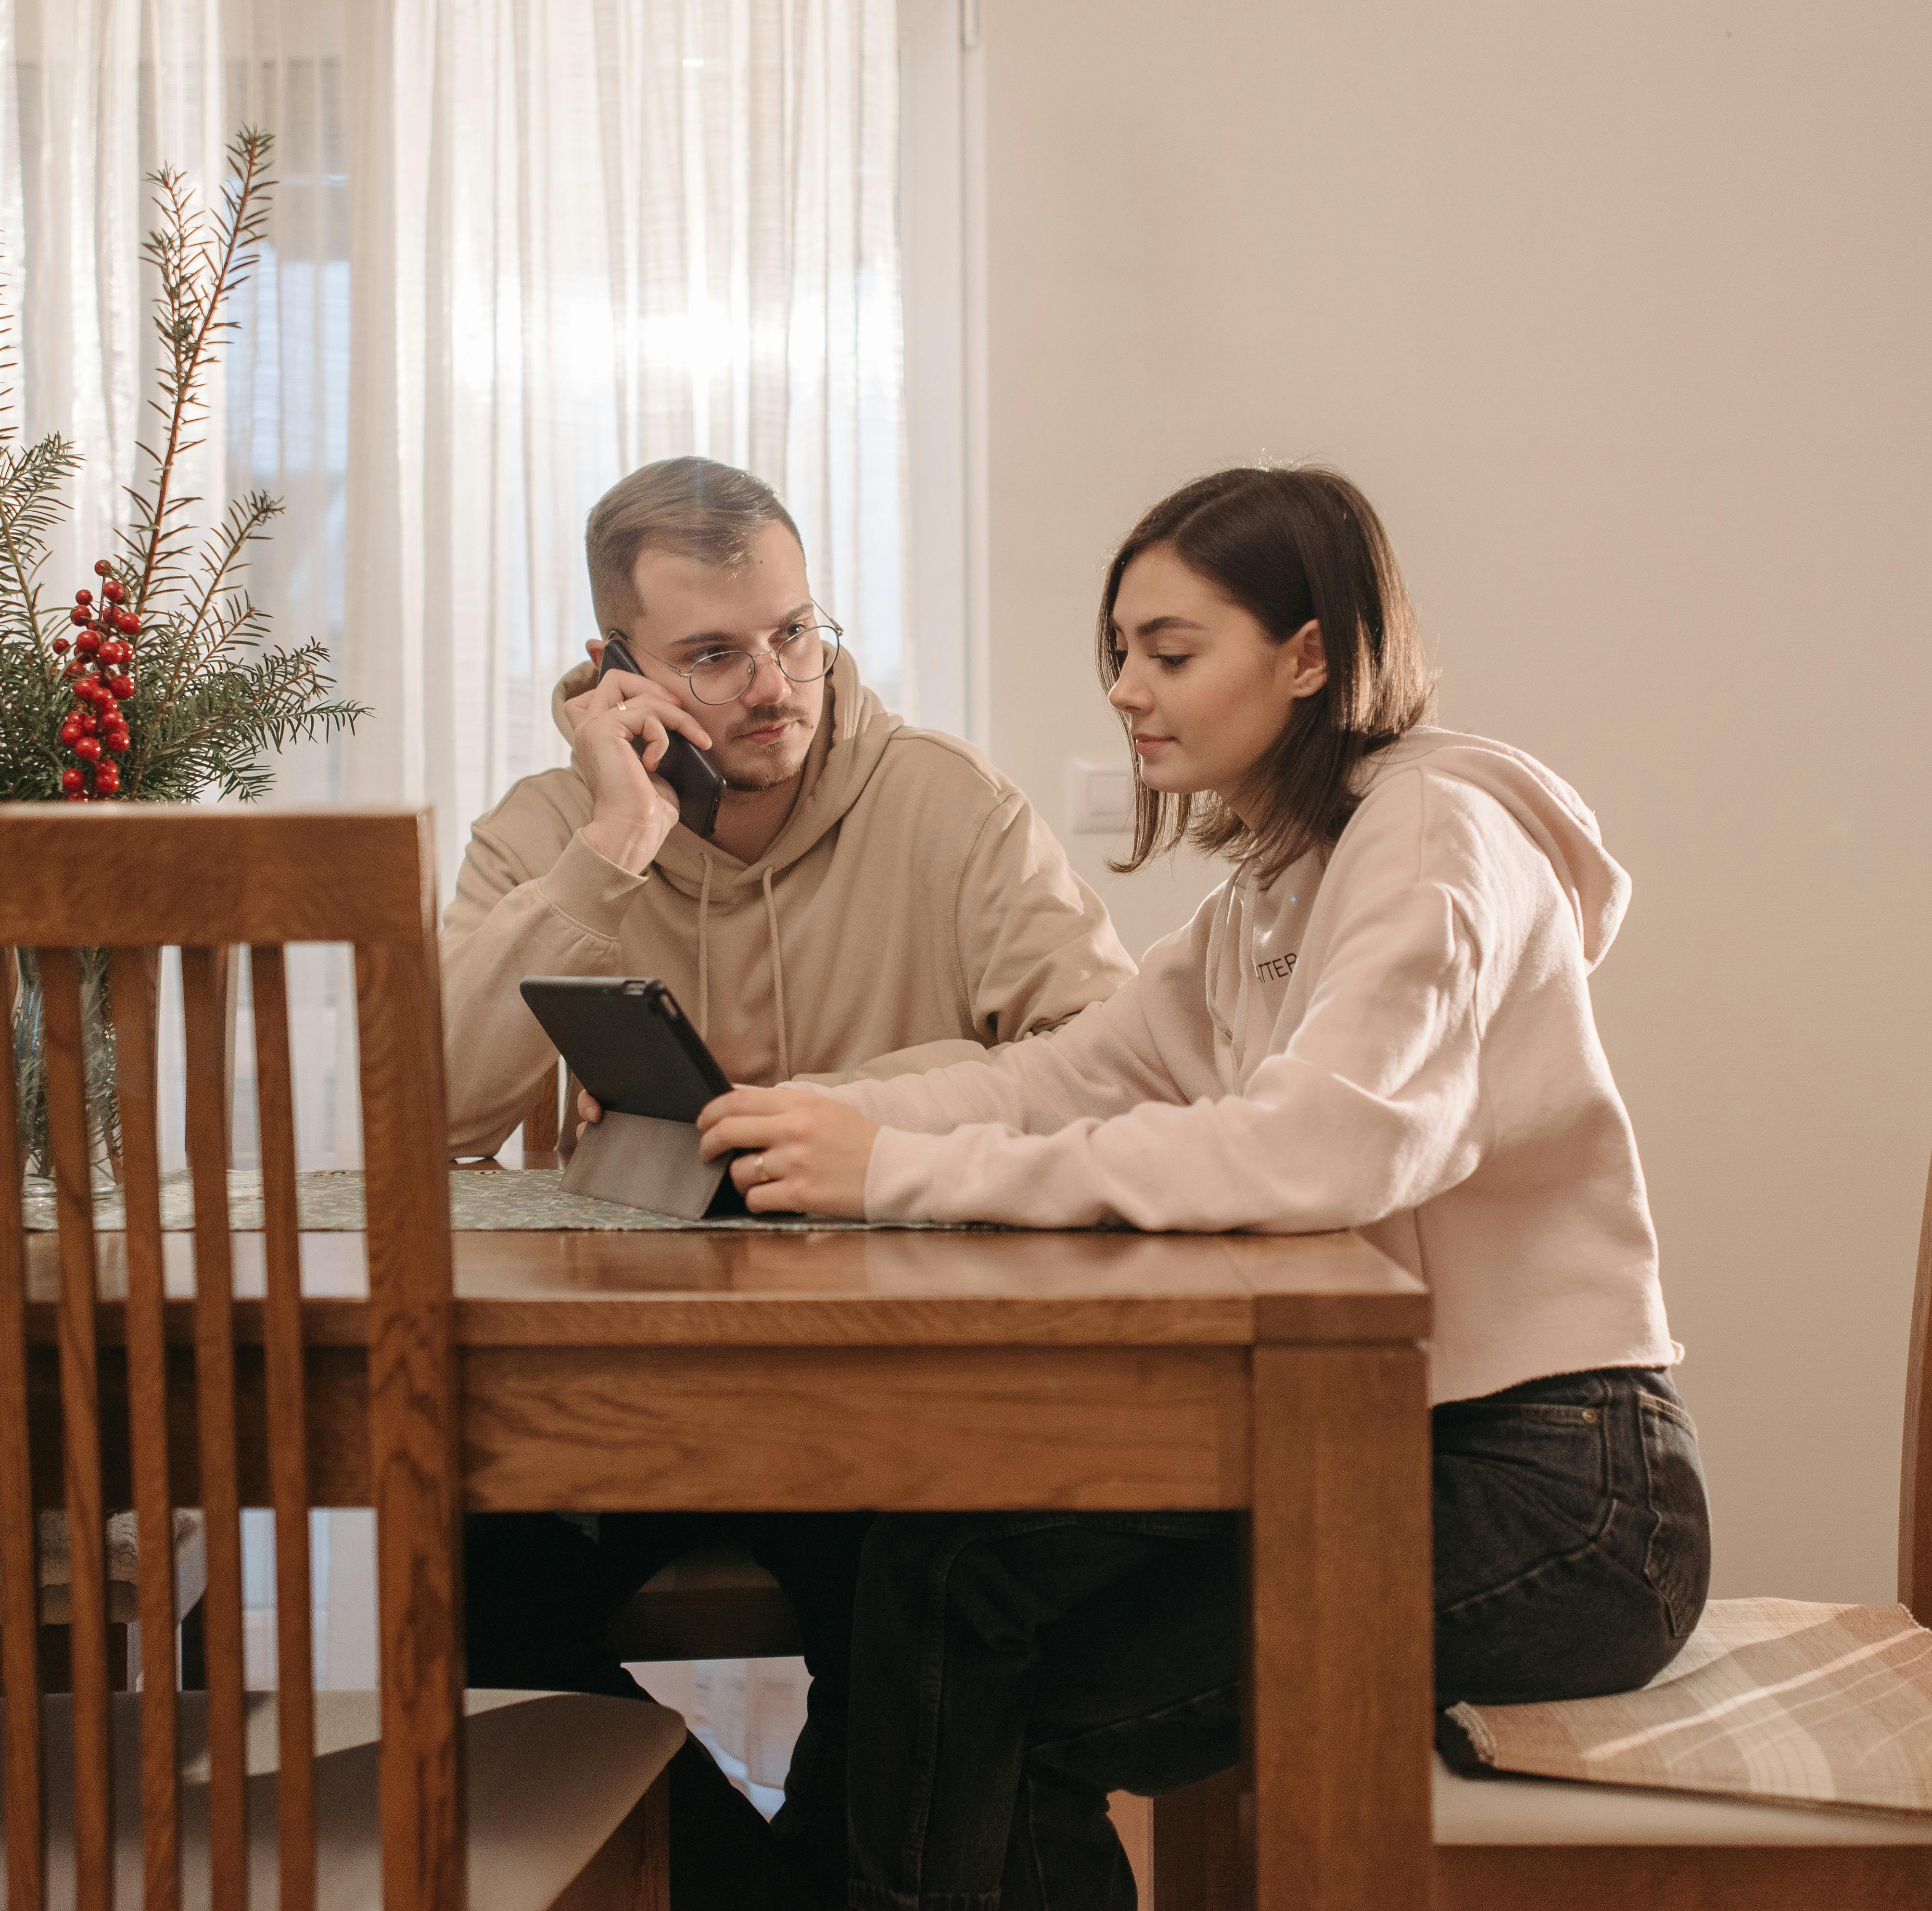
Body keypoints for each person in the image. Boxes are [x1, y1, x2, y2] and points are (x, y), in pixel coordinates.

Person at [692, 464, 1713, 1911]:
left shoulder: (1428, 840)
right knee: (932, 1562)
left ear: (1310, 656)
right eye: (1122, 652)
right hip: (1377, 1443)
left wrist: (898, 1171)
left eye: (1171, 652)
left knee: (980, 1661)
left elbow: (1317, 1152)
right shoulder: (1272, 891)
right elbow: (1063, 1075)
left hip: (1565, 1498)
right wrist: (821, 1122)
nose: (1127, 687)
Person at [441, 455, 1138, 1907]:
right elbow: (435, 1105)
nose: (774, 686)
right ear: (612, 675)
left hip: (885, 1393)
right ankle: (755, 1880)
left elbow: (1116, 1058)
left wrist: (844, 1111)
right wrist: (612, 851)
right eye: (712, 655)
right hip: (615, 1400)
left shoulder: (951, 808)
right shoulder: (551, 834)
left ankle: (841, 1858)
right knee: (460, 1589)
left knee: (930, 1618)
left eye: (796, 634)